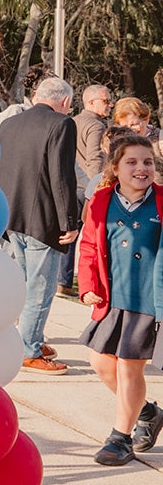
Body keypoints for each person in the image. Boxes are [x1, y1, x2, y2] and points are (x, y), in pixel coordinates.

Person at [76, 131, 163, 466]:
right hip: (112, 299)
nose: (141, 168)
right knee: (101, 363)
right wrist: (87, 286)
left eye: (147, 162)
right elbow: (88, 247)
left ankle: (119, 438)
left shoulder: (160, 200)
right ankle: (147, 412)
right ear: (116, 166)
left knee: (129, 370)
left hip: (148, 301)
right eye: (132, 162)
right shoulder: (101, 201)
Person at [0, 77, 82, 376]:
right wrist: (69, 222)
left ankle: (20, 339)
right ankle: (29, 349)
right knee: (39, 289)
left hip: (10, 215)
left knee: (15, 286)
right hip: (42, 219)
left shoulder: (9, 124)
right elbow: (62, 177)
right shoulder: (61, 124)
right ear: (66, 102)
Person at [64, 85, 112, 297]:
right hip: (87, 186)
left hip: (72, 183)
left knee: (70, 232)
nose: (109, 104)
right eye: (106, 100)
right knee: (89, 236)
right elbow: (95, 157)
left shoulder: (72, 121)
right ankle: (72, 282)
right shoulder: (95, 126)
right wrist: (96, 186)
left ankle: (63, 281)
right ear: (91, 102)